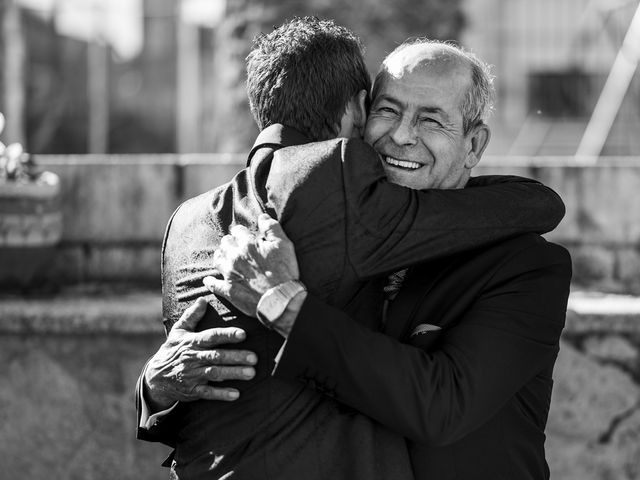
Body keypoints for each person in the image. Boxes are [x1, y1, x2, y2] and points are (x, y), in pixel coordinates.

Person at [136, 17, 566, 479]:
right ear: (360, 114)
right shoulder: (331, 215)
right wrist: (154, 388)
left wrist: (282, 304)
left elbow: (443, 405)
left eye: (431, 120)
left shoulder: (527, 265)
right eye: (388, 110)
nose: (402, 135)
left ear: (474, 144)